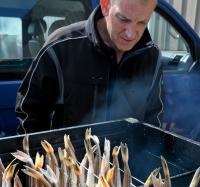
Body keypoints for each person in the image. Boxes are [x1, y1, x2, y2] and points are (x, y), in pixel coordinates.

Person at [15, 0, 163, 134]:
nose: (131, 34)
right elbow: (30, 112)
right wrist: (43, 157)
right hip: (70, 161)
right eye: (123, 19)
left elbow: (153, 119)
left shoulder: (151, 56)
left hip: (126, 161)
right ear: (105, 6)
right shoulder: (61, 47)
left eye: (142, 22)